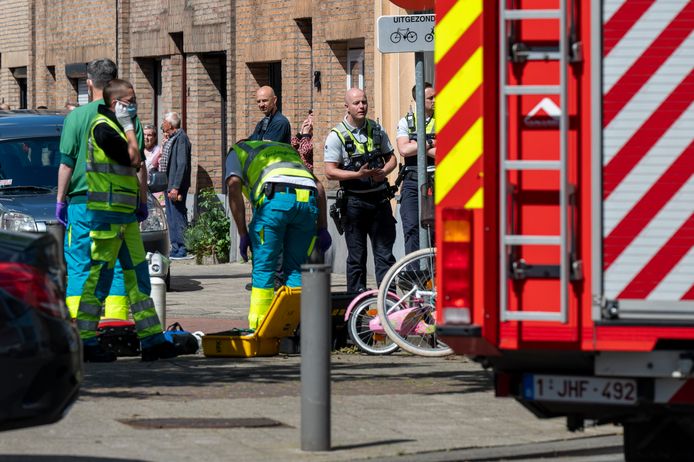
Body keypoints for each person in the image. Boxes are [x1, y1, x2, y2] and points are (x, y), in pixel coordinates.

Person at [76, 78, 178, 362]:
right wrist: (130, 127)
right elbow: (135, 159)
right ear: (115, 104)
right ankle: (85, 340)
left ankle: (152, 340)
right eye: (129, 101)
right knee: (99, 278)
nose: (134, 106)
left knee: (139, 276)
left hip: (125, 217)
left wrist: (140, 202)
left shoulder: (116, 128)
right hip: (107, 216)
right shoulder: (104, 129)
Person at [56, 58, 146, 321]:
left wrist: (60, 201)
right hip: (121, 206)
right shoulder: (128, 117)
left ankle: (78, 327)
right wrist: (142, 201)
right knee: (117, 265)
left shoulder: (76, 117)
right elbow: (139, 166)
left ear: (88, 83)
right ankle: (115, 325)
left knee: (80, 265)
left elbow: (66, 164)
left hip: (83, 205)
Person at [226, 140, 331, 330]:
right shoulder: (286, 150)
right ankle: (295, 327)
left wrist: (242, 233)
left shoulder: (236, 151)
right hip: (307, 201)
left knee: (265, 267)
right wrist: (322, 228)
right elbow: (320, 187)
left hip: (274, 203)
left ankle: (260, 328)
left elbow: (233, 185)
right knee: (297, 269)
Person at [324, 88, 397, 293]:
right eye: (356, 103)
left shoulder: (376, 129)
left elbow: (392, 158)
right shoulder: (337, 135)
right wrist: (358, 175)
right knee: (357, 257)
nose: (362, 106)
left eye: (364, 102)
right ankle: (357, 306)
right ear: (347, 106)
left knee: (385, 256)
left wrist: (383, 171)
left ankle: (388, 302)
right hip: (354, 203)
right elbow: (330, 172)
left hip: (380, 202)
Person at [396, 82, 436, 255]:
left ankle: (435, 274)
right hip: (412, 181)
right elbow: (404, 150)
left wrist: (416, 144)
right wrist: (430, 142)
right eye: (431, 98)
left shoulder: (444, 118)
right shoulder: (406, 121)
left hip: (436, 180)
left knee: (435, 230)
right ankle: (413, 276)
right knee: (411, 227)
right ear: (419, 100)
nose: (436, 100)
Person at [159, 112, 192, 260]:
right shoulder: (172, 138)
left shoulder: (181, 139)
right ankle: (175, 247)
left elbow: (182, 164)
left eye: (164, 121)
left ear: (170, 124)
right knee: (171, 217)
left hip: (175, 185)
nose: (162, 123)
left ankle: (182, 247)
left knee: (178, 215)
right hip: (169, 183)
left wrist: (176, 186)